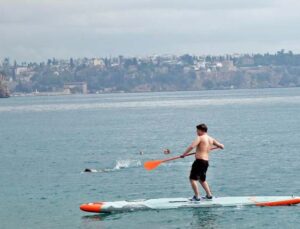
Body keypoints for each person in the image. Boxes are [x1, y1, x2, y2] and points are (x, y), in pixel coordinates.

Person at [181, 124, 224, 201]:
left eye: (197, 130)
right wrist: (220, 146)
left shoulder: (200, 138)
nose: (196, 132)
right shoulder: (211, 139)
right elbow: (222, 146)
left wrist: (184, 154)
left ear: (201, 130)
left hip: (199, 161)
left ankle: (197, 197)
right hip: (205, 162)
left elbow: (192, 146)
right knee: (202, 179)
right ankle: (209, 195)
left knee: (192, 179)